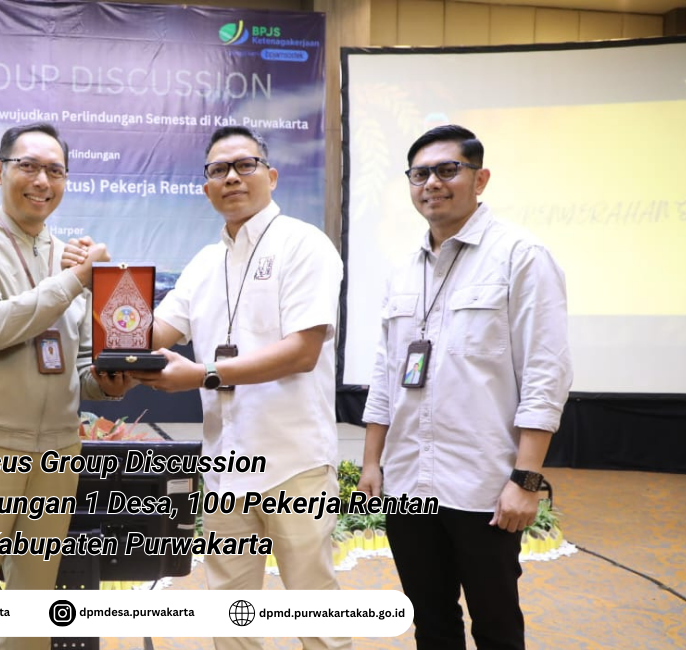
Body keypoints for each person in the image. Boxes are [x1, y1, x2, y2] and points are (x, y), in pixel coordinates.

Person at [81, 126, 348, 650]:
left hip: (294, 463)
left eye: (245, 165)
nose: (231, 178)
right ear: (206, 188)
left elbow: (303, 351)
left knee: (316, 613)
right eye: (218, 170)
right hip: (226, 465)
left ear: (271, 176)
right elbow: (151, 335)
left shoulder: (304, 244)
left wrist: (203, 374)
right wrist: (103, 290)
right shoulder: (205, 263)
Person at [358, 125, 573, 650]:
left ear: (480, 179)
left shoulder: (521, 255)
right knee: (430, 621)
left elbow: (545, 373)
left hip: (483, 484)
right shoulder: (403, 270)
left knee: (496, 625)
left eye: (447, 170)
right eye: (419, 174)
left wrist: (526, 479)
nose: (431, 183)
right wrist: (371, 463)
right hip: (408, 481)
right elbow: (386, 374)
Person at [0, 122, 132, 650]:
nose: (42, 180)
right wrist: (77, 280)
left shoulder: (70, 256)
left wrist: (110, 380)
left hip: (57, 451)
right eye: (29, 166)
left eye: (55, 171)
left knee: (33, 610)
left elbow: (77, 367)